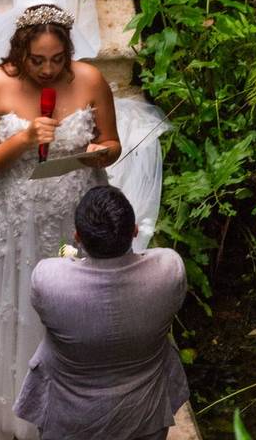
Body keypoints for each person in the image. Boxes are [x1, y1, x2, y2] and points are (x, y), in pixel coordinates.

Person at [0, 2, 122, 440]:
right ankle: (20, 411)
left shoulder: (91, 79)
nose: (48, 69)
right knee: (18, 305)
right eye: (37, 60)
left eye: (57, 59)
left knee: (76, 303)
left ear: (68, 51)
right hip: (13, 213)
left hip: (75, 212)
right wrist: (24, 138)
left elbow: (112, 141)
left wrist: (101, 152)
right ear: (19, 53)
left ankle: (79, 402)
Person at [14, 185, 190, 440]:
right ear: (134, 232)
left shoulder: (48, 278)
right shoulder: (169, 269)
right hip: (143, 413)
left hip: (71, 416)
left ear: (77, 236)